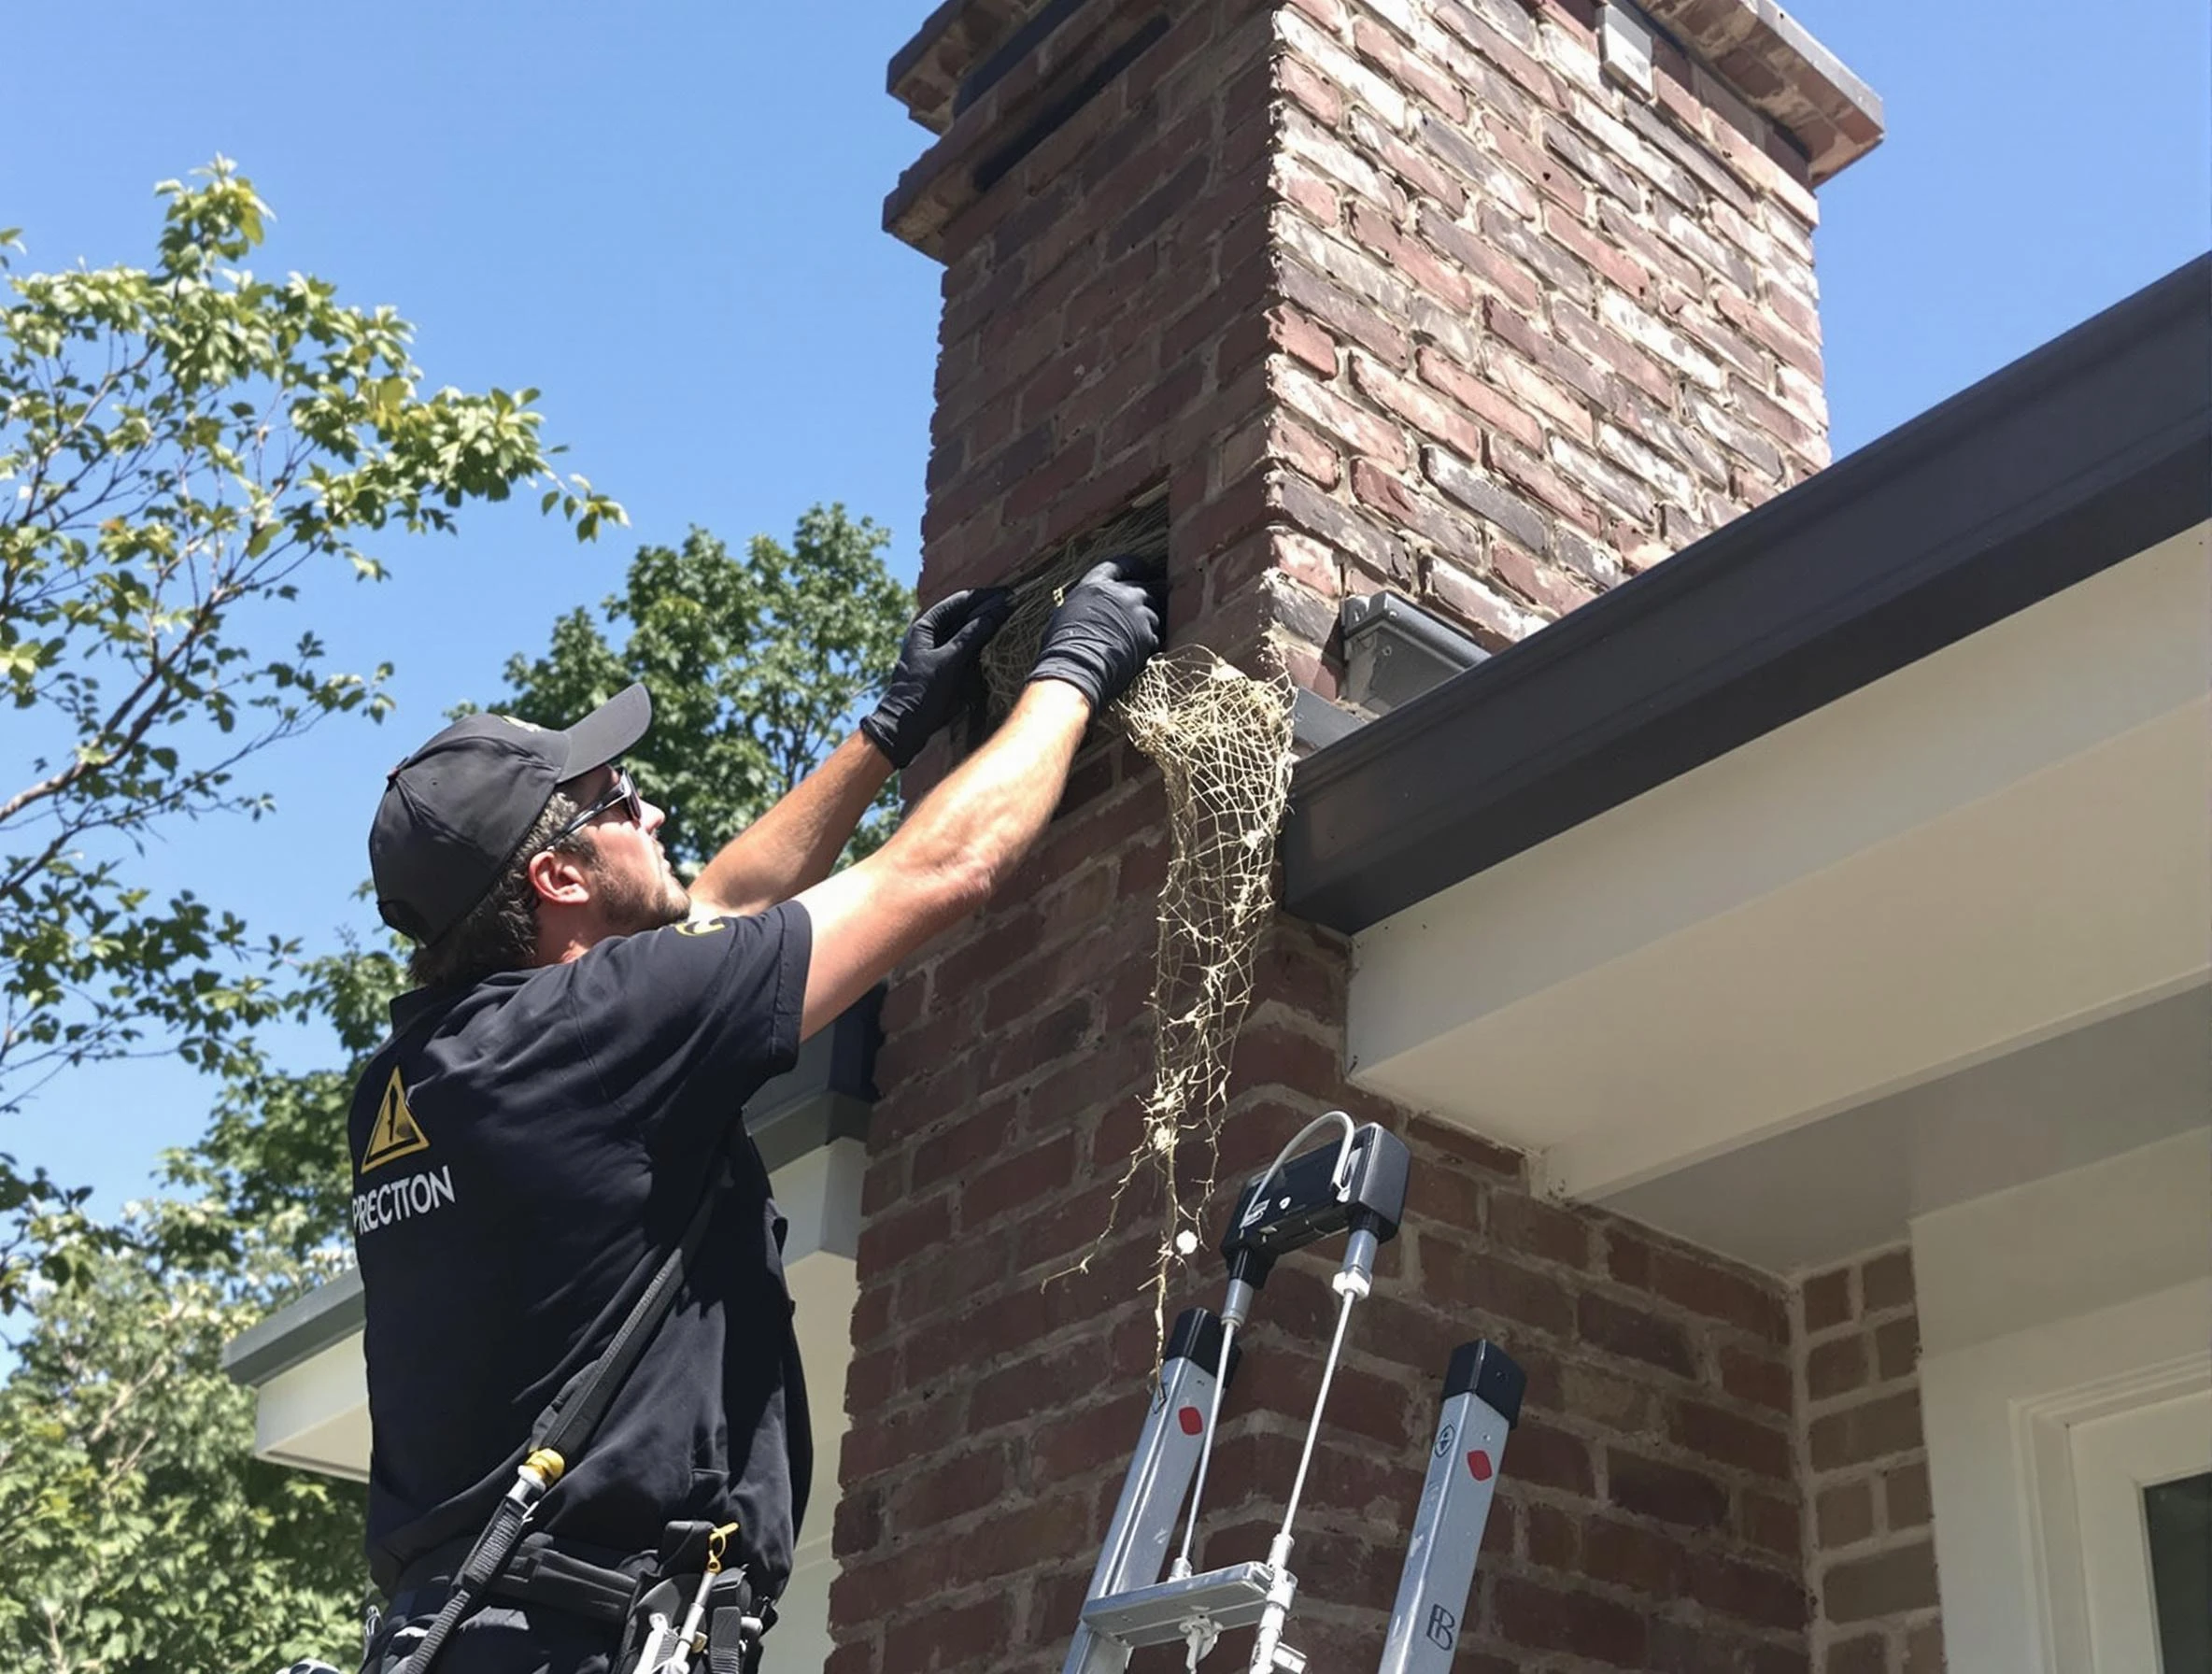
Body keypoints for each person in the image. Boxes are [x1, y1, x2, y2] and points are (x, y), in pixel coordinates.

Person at [350, 558, 1162, 1673]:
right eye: (619, 804)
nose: (654, 808)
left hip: (463, 1633)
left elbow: (721, 904)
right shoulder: (597, 1030)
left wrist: (887, 731)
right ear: (557, 879)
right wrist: (1076, 666)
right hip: (574, 1640)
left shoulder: (416, 1076)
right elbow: (948, 865)